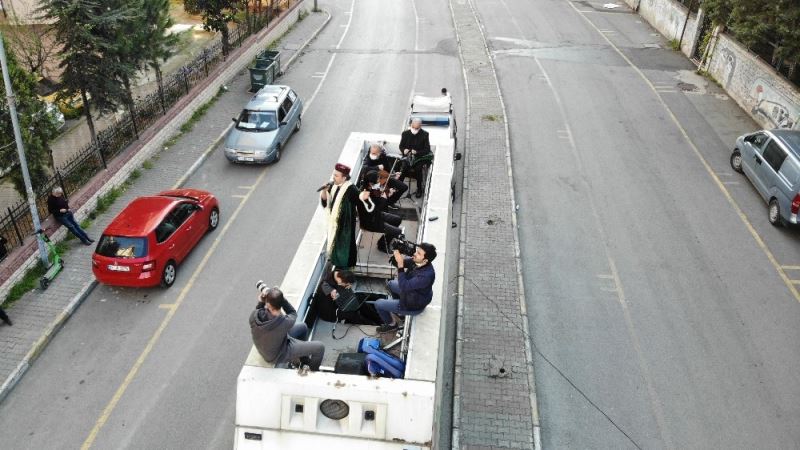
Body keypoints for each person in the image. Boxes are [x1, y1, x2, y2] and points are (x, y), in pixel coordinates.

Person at [250, 287, 325, 370]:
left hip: (267, 347)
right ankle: (312, 371)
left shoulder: (254, 315)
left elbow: (259, 309)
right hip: (278, 354)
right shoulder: (285, 322)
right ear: (280, 303)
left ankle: (304, 359)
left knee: (303, 327)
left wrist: (261, 301)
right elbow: (293, 313)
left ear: (268, 304)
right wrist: (282, 299)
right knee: (320, 347)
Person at [375, 242, 437, 333]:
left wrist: (400, 265)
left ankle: (392, 325)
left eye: (419, 253)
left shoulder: (426, 276)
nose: (415, 254)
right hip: (411, 294)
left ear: (425, 260)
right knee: (391, 284)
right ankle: (400, 313)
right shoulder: (418, 261)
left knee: (378, 303)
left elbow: (403, 285)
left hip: (413, 305)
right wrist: (397, 254)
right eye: (417, 251)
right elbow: (403, 263)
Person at [320, 163, 371, 268]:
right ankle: (336, 262)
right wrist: (324, 191)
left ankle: (346, 267)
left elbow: (360, 199)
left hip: (346, 224)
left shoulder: (351, 189)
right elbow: (325, 202)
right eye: (333, 175)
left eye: (336, 176)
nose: (333, 177)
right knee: (335, 243)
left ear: (344, 178)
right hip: (334, 222)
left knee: (345, 245)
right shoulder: (333, 186)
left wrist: (363, 197)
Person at [357, 170, 403, 248]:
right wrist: (384, 199)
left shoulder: (370, 189)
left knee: (398, 219)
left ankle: (383, 240)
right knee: (398, 231)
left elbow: (377, 202)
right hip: (371, 222)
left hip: (377, 215)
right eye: (378, 180)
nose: (379, 182)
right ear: (371, 183)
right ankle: (382, 246)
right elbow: (374, 211)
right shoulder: (364, 196)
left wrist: (387, 195)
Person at [399, 117, 432, 198]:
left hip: (419, 158)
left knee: (418, 170)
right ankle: (398, 187)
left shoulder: (425, 134)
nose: (414, 129)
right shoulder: (405, 134)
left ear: (420, 126)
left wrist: (417, 152)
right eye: (413, 127)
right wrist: (404, 150)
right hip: (408, 156)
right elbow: (401, 146)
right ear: (411, 125)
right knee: (403, 168)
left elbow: (427, 149)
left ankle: (419, 189)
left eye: (416, 128)